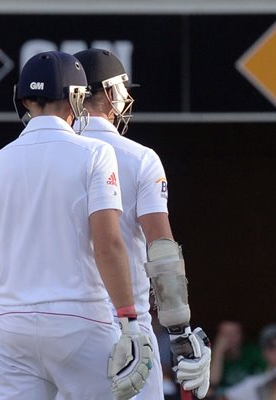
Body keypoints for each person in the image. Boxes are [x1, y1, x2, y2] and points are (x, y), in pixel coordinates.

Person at [0, 50, 154, 400]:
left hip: (10, 327)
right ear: (76, 97)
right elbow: (108, 246)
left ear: (24, 99)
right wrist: (130, 323)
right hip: (82, 321)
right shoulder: (94, 154)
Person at [72, 48, 211, 399]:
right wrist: (180, 329)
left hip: (54, 321)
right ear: (108, 93)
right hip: (124, 323)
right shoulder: (139, 158)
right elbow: (161, 248)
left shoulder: (37, 156)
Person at [209, 320, 266, 397]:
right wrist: (218, 351)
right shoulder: (210, 354)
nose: (230, 338)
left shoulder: (252, 352)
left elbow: (266, 377)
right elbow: (213, 382)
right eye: (225, 334)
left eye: (234, 333)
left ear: (242, 335)